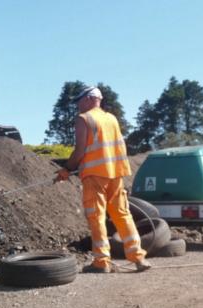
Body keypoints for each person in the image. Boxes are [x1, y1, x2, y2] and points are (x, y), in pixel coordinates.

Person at [55, 86, 152, 273]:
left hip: (95, 175)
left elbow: (80, 150)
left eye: (80, 101)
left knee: (97, 217)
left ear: (90, 99)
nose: (78, 105)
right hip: (116, 174)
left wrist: (66, 169)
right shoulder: (111, 119)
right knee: (122, 214)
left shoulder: (84, 119)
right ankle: (139, 258)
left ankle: (101, 262)